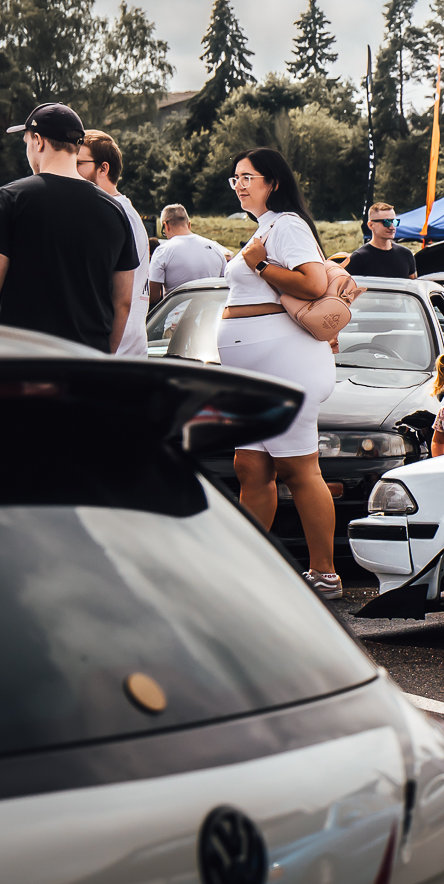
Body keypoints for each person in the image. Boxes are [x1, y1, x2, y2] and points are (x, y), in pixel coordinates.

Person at [216, 147, 343, 597]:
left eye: (248, 177)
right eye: (235, 178)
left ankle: (325, 573)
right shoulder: (264, 226)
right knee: (250, 466)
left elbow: (312, 282)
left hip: (286, 365)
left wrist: (259, 264)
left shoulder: (287, 224)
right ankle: (247, 568)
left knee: (298, 468)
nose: (239, 184)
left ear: (272, 182)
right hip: (256, 370)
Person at [0, 103, 137, 353]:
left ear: (38, 141)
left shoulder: (10, 199)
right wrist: (103, 357)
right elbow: (123, 302)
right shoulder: (116, 211)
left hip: (23, 361)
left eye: (26, 142)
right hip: (88, 361)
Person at [77, 129, 150, 356]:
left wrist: (105, 356)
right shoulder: (123, 211)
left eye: (79, 163)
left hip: (117, 349)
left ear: (103, 168)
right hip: (125, 346)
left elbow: (121, 299)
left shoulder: (115, 215)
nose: (72, 170)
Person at [148, 203, 229, 302]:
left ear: (166, 226)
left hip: (177, 311)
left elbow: (154, 297)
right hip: (210, 310)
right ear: (189, 224)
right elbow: (225, 286)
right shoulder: (215, 248)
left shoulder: (162, 251)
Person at [346, 201, 417, 279]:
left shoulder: (406, 254)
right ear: (371, 225)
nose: (392, 227)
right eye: (386, 222)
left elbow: (413, 284)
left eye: (395, 222)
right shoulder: (359, 258)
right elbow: (346, 285)